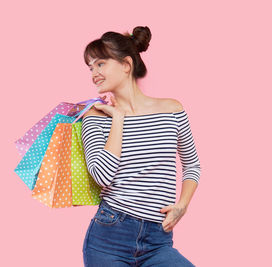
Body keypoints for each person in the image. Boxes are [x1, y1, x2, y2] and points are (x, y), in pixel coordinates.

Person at [80, 26, 201, 267]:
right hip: (109, 238)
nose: (94, 73)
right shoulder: (94, 116)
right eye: (90, 67)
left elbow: (192, 164)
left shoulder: (172, 110)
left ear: (126, 65)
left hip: (158, 241)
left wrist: (182, 206)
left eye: (100, 64)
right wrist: (117, 118)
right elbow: (102, 176)